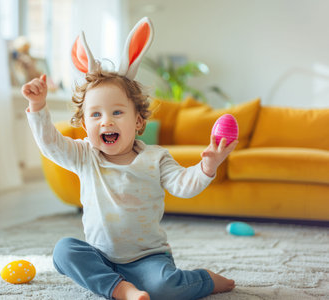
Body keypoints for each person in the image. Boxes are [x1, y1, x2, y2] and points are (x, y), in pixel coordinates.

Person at [22, 17, 237, 300]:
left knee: (164, 287)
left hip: (149, 259)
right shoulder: (86, 155)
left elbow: (185, 186)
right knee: (64, 251)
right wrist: (38, 106)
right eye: (96, 114)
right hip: (100, 258)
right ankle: (121, 289)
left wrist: (207, 165)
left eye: (117, 112)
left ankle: (205, 280)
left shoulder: (155, 158)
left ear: (138, 121)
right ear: (85, 125)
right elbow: (51, 145)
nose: (106, 121)